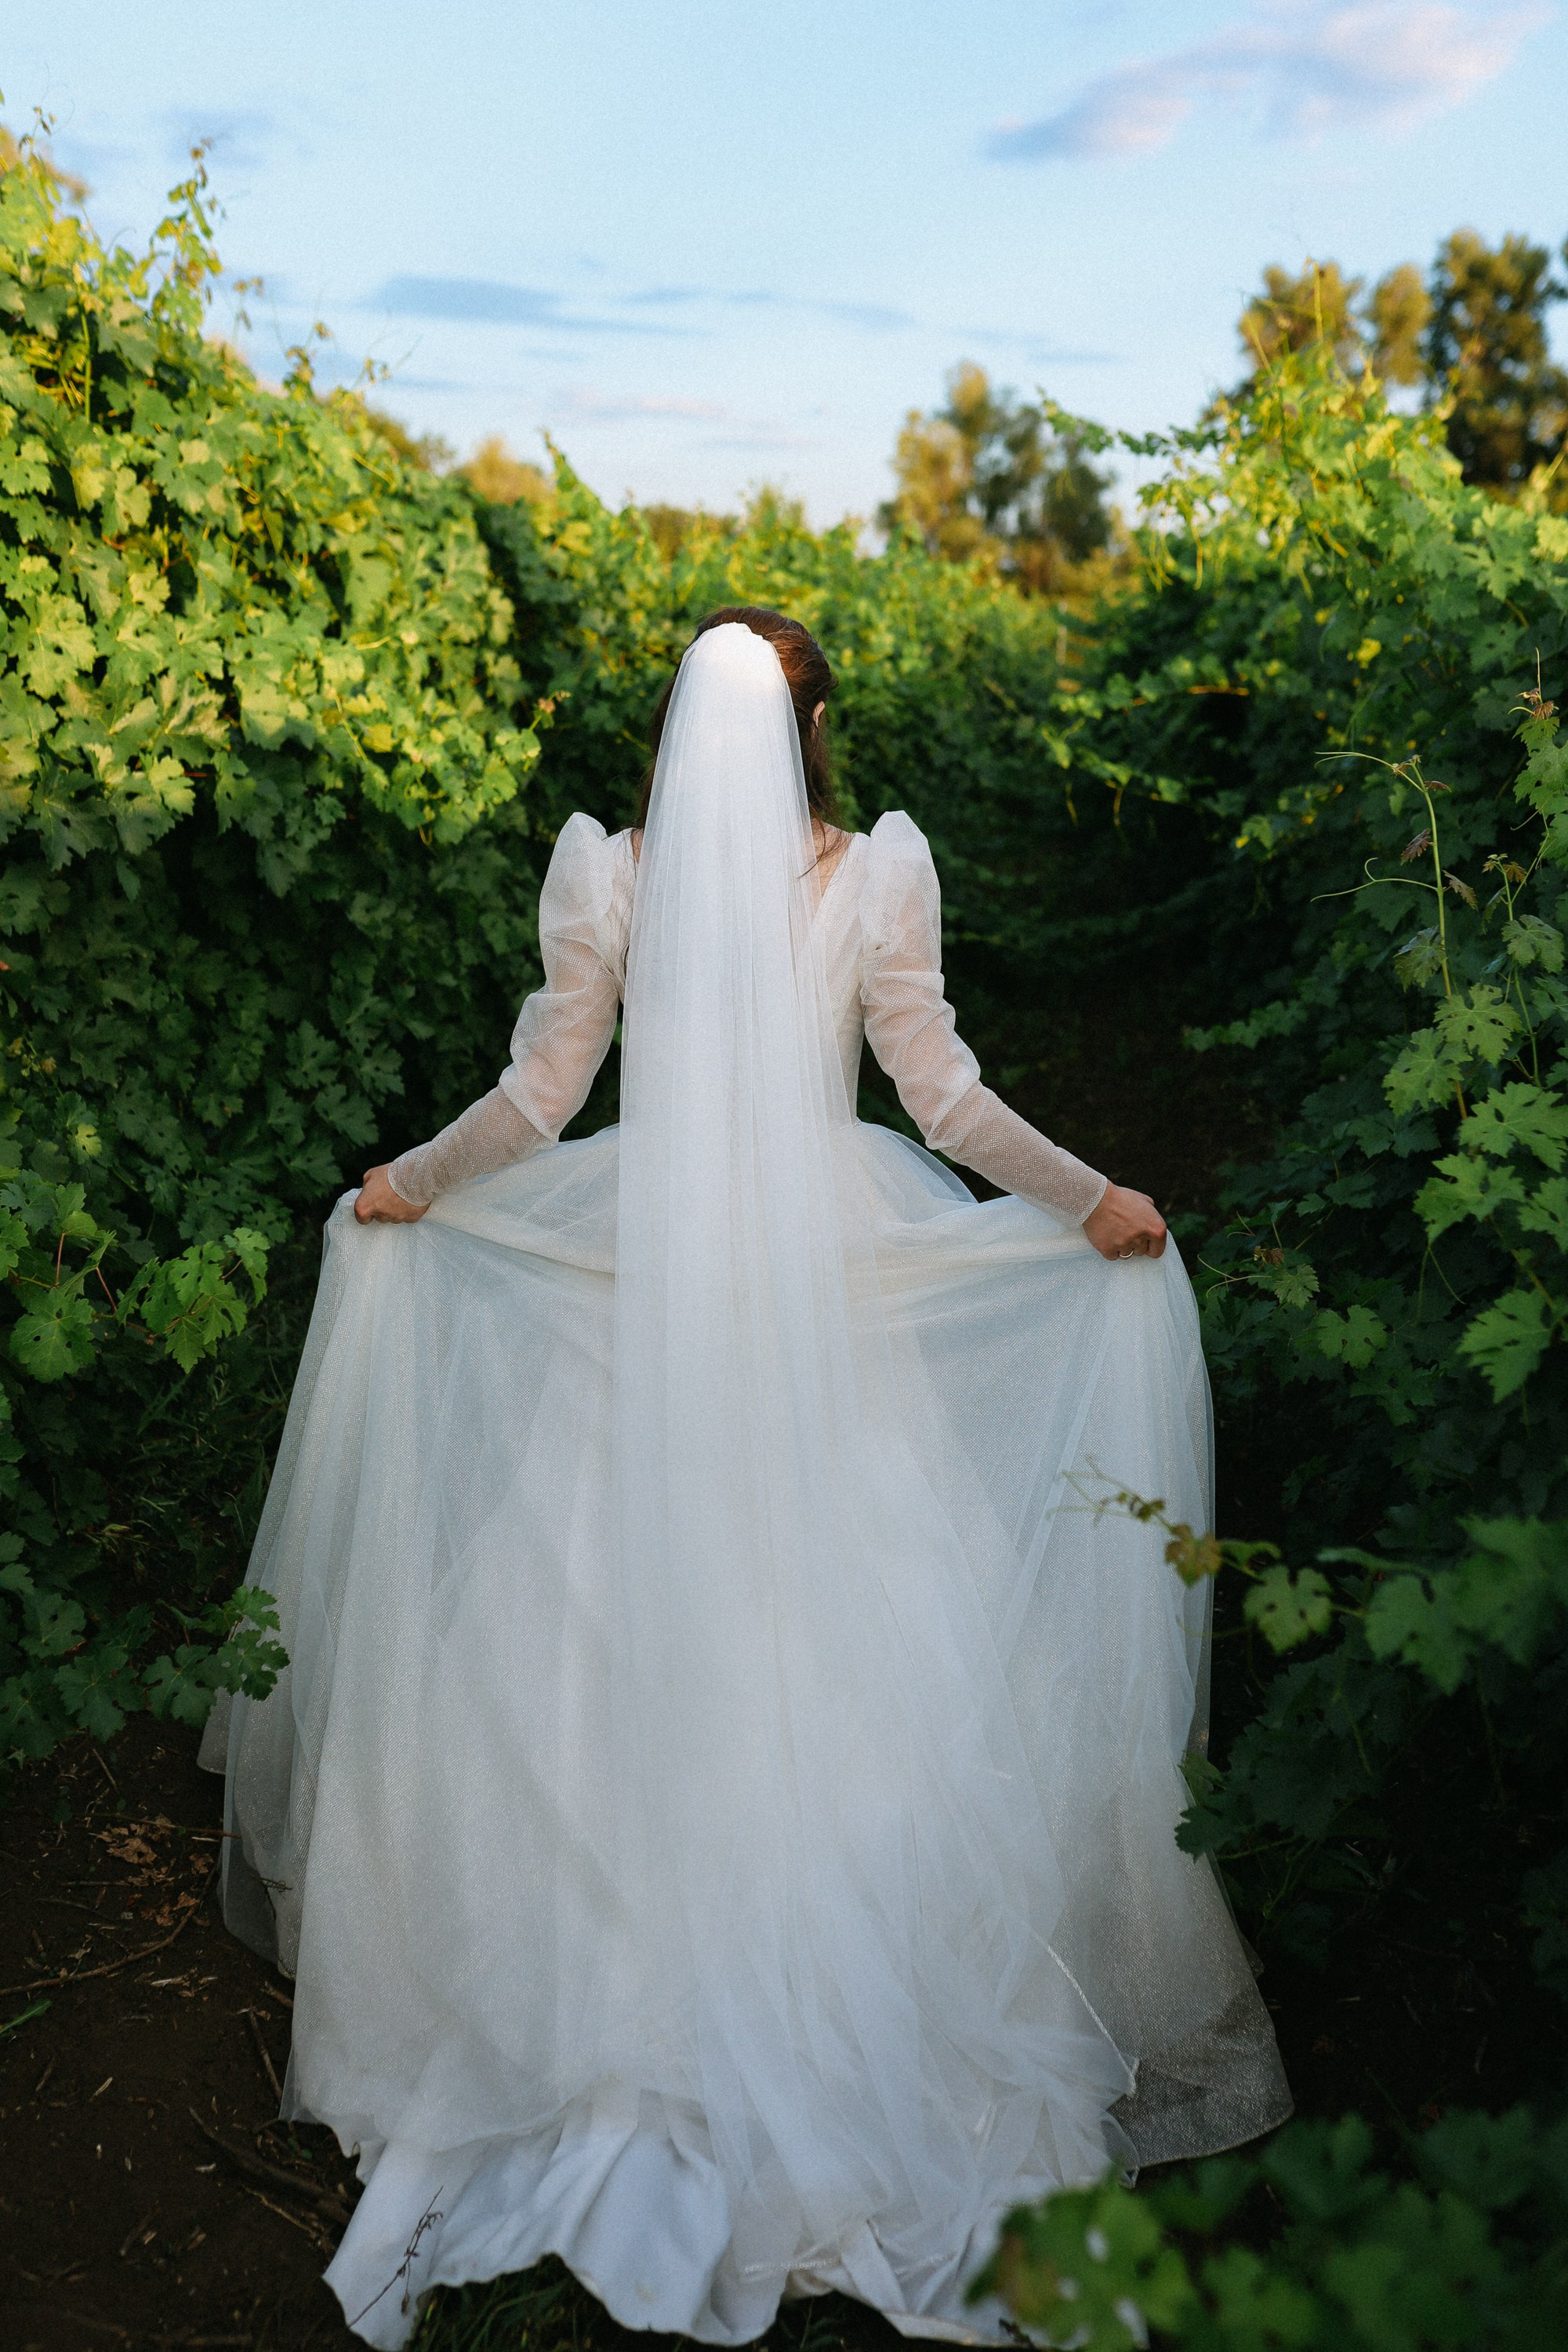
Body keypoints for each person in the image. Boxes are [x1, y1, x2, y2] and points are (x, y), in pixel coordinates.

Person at [202, 609, 1290, 2350]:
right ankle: (863, 2004)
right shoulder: (875, 877)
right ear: (817, 728)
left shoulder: (610, 875)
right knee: (867, 1605)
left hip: (648, 1268)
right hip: (821, 1263)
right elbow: (940, 1100)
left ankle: (577, 1997)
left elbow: (543, 1099)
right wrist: (1093, 1198)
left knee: (573, 1604)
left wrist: (407, 1180)